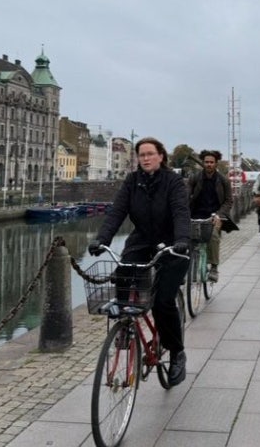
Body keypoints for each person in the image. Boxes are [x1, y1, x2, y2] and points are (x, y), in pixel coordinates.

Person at [88, 137, 191, 387]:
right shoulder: (132, 182)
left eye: (150, 154)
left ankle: (177, 353)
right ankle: (125, 327)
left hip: (172, 244)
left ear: (161, 156)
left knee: (162, 301)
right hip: (142, 239)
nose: (145, 158)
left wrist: (181, 240)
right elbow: (117, 212)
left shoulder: (173, 182)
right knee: (123, 272)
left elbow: (180, 212)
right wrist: (101, 239)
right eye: (141, 154)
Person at [187, 149, 232, 283]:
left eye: (212, 162)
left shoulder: (223, 180)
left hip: (214, 215)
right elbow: (186, 196)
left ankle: (213, 267)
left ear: (216, 163)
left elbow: (229, 201)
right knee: (184, 238)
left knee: (213, 236)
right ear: (203, 163)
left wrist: (219, 215)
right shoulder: (195, 178)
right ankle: (184, 269)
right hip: (195, 214)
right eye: (206, 162)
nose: (209, 164)